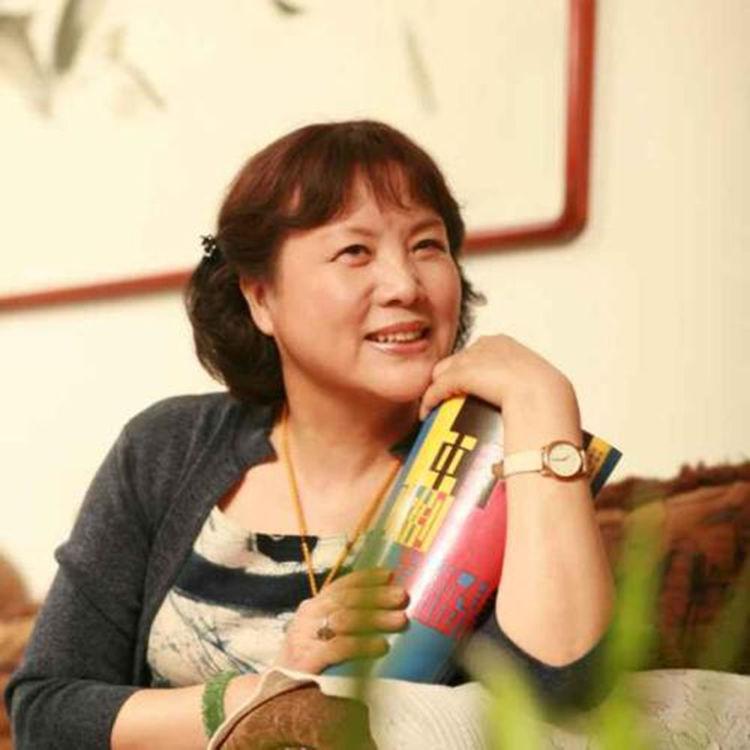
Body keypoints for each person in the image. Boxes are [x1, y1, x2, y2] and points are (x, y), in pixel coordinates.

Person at [5, 120, 615, 749]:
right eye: (355, 252)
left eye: (427, 246)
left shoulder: (501, 463)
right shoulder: (169, 448)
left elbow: (564, 699)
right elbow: (47, 713)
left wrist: (543, 403)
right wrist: (273, 695)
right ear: (261, 298)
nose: (405, 285)